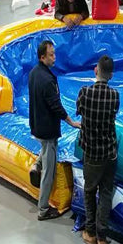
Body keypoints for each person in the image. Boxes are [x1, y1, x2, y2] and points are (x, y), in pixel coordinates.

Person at [29, 39, 78, 221]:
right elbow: (55, 106)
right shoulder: (48, 80)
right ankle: (43, 209)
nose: (54, 57)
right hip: (47, 130)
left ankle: (36, 165)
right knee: (49, 171)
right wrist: (70, 121)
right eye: (51, 55)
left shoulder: (33, 73)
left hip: (36, 124)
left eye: (54, 53)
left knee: (44, 149)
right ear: (42, 57)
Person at [77, 55, 120, 244]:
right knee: (106, 192)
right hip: (109, 152)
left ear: (96, 70)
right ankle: (102, 237)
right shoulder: (114, 96)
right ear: (111, 75)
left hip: (92, 153)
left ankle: (90, 232)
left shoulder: (84, 93)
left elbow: (79, 111)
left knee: (89, 190)